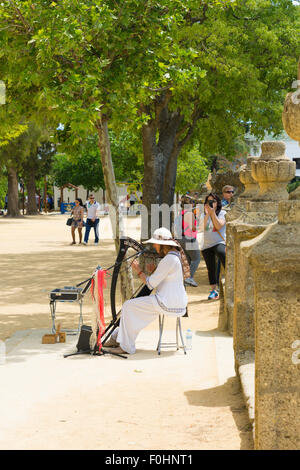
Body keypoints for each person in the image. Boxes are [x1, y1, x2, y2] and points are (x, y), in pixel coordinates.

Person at [104, 227, 188, 355]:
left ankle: (125, 346)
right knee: (132, 309)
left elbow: (150, 284)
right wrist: (153, 271)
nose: (154, 246)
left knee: (128, 306)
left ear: (161, 244)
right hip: (175, 302)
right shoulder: (173, 257)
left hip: (167, 302)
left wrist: (138, 269)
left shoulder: (169, 259)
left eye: (155, 243)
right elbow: (162, 279)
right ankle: (117, 337)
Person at [199, 193, 226, 300]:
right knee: (211, 268)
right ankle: (214, 290)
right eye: (209, 202)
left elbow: (219, 226)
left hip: (219, 242)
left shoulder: (222, 213)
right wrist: (207, 214)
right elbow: (201, 228)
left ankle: (229, 279)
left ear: (217, 203)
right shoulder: (203, 215)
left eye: (213, 201)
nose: (211, 203)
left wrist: (213, 213)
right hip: (206, 245)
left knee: (222, 253)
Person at [177, 195, 201, 287]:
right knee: (196, 259)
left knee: (188, 261)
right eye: (193, 203)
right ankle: (189, 278)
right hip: (189, 238)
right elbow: (193, 228)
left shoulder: (182, 212)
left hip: (181, 238)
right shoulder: (189, 214)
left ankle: (184, 281)